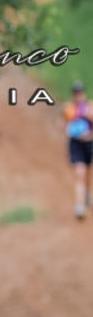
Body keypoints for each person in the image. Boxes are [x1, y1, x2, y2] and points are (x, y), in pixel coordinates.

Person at [63, 81, 93, 219]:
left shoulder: (89, 107)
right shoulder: (69, 108)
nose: (78, 96)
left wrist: (87, 115)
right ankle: (79, 206)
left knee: (89, 175)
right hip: (76, 144)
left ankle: (88, 195)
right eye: (76, 93)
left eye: (80, 93)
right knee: (80, 173)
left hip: (90, 143)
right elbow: (64, 126)